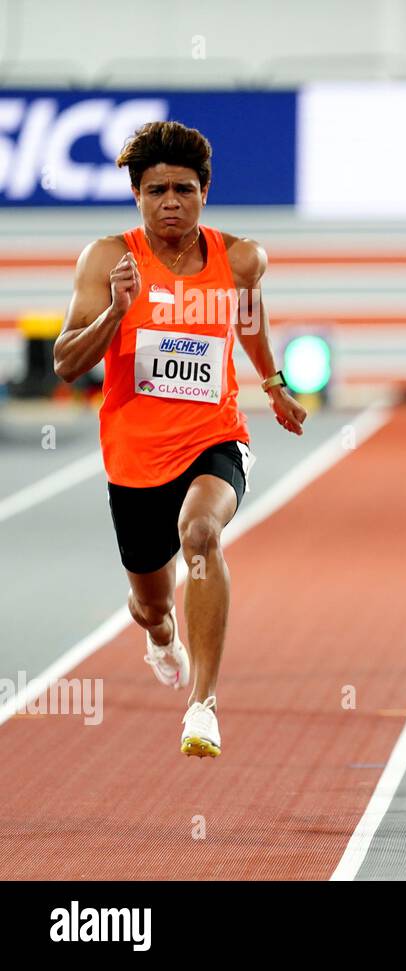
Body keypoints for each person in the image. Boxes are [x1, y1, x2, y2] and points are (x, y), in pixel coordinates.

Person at [53, 120, 307, 757]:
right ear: (137, 196)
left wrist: (272, 382)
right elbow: (64, 363)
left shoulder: (240, 258)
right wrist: (116, 312)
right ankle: (162, 634)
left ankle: (203, 705)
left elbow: (248, 321)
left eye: (185, 189)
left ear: (205, 192)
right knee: (150, 604)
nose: (172, 202)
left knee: (200, 534)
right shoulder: (110, 259)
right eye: (158, 189)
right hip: (135, 458)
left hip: (213, 438)